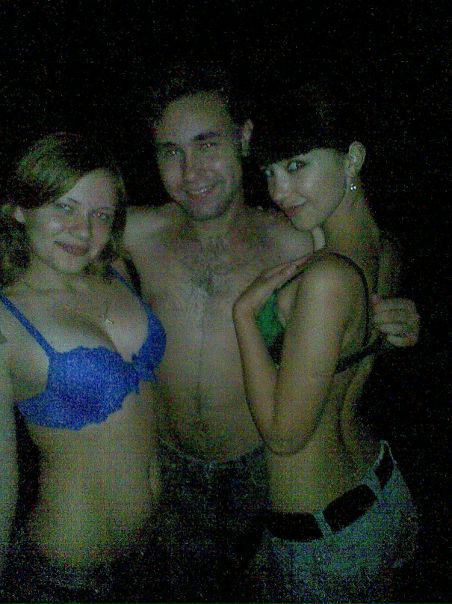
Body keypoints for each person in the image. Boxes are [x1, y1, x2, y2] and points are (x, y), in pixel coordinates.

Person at [121, 62, 420, 603]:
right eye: (170, 152)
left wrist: (393, 317)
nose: (190, 172)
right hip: (173, 471)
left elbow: (369, 255)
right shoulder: (138, 232)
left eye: (207, 144)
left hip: (266, 476)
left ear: (244, 138)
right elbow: (47, 237)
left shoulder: (299, 239)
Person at [232, 83, 419, 603]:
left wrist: (244, 317)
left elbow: (283, 436)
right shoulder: (384, 248)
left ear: (353, 158)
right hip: (374, 486)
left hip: (324, 534)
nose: (278, 190)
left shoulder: (326, 279)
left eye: (296, 166)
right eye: (269, 171)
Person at [0, 133, 166, 603]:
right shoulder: (6, 321)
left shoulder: (118, 273)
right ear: (20, 208)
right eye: (64, 207)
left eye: (101, 215)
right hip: (69, 576)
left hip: (156, 548)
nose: (83, 230)